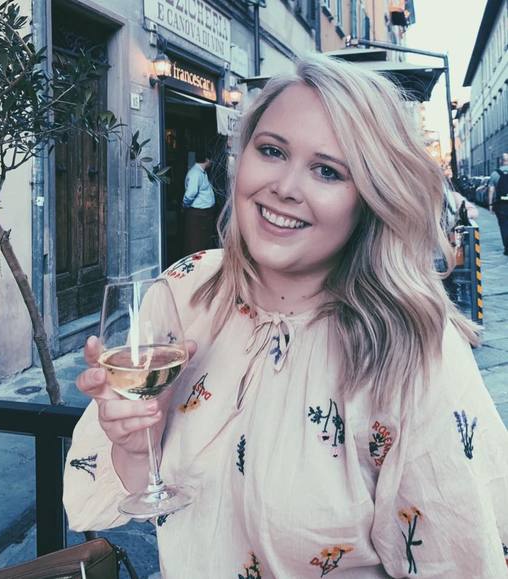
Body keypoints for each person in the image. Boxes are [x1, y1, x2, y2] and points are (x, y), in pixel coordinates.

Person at [64, 55, 508, 577]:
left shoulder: (410, 346)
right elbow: (126, 497)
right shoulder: (184, 290)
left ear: (371, 196)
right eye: (272, 151)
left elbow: (456, 561)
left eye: (328, 171)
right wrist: (136, 444)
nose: (286, 187)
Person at [182, 148, 215, 255]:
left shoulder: (201, 172)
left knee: (202, 243)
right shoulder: (195, 173)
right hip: (197, 215)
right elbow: (190, 194)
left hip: (203, 215)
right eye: (211, 160)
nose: (212, 162)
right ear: (207, 160)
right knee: (196, 245)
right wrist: (185, 205)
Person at [488, 152, 508, 255]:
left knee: (504, 226)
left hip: (501, 205)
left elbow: (491, 190)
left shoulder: (495, 174)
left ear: (500, 161)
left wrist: (490, 205)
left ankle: (507, 248)